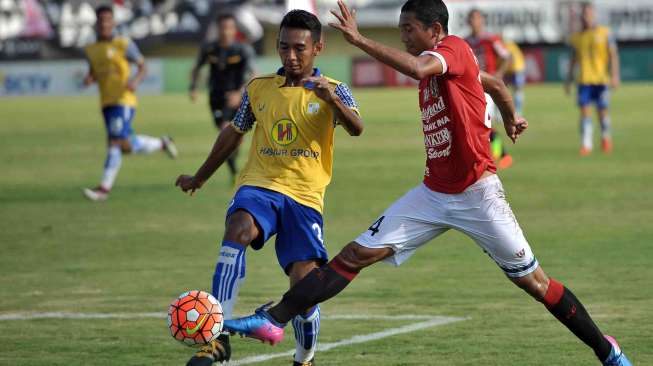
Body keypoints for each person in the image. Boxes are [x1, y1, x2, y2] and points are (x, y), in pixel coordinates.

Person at [224, 1, 632, 365]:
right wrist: (509, 116)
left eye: (409, 29)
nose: (403, 36)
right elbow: (494, 83)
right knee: (354, 255)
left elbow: (425, 68)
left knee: (536, 284)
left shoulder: (451, 49)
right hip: (433, 193)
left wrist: (359, 39)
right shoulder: (449, 64)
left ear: (435, 31)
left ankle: (607, 351)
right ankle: (274, 319)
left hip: (478, 195)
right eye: (401, 29)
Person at [175, 9, 363, 366]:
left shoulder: (335, 90)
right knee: (238, 228)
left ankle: (305, 357)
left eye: (299, 49)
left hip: (305, 198)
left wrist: (332, 99)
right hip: (260, 185)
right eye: (283, 48)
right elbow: (234, 132)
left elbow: (357, 126)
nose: (291, 57)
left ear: (318, 48)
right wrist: (200, 177)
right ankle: (217, 338)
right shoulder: (259, 88)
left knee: (303, 290)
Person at [83, 5, 177, 201]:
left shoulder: (123, 44)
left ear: (113, 22)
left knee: (114, 142)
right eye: (100, 20)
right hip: (106, 102)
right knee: (125, 145)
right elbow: (93, 70)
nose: (104, 24)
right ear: (96, 23)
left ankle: (103, 189)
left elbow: (143, 66)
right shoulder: (91, 49)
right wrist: (89, 78)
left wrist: (135, 81)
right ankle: (161, 143)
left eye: (108, 20)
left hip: (123, 100)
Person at [189, 13, 256, 184]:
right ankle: (234, 171)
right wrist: (194, 88)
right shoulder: (209, 48)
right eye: (222, 28)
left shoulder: (243, 50)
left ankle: (234, 172)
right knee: (230, 137)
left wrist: (239, 93)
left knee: (229, 134)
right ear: (218, 29)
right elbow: (196, 68)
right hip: (216, 98)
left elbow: (253, 75)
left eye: (229, 28)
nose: (226, 31)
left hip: (238, 99)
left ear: (234, 30)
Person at [565, 2, 620, 156]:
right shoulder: (576, 37)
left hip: (601, 80)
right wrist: (568, 80)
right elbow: (573, 60)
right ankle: (586, 144)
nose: (587, 17)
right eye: (584, 14)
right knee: (585, 112)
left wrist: (615, 75)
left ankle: (605, 138)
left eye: (589, 14)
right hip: (584, 81)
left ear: (594, 15)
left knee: (602, 112)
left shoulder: (605, 33)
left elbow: (613, 55)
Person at [465, 8, 513, 169]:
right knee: (477, 124)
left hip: (488, 89)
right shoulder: (465, 42)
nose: (475, 22)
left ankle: (501, 155)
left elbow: (507, 57)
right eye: (472, 19)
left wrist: (498, 74)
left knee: (486, 123)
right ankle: (495, 155)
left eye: (477, 19)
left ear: (482, 21)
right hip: (472, 88)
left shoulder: (491, 40)